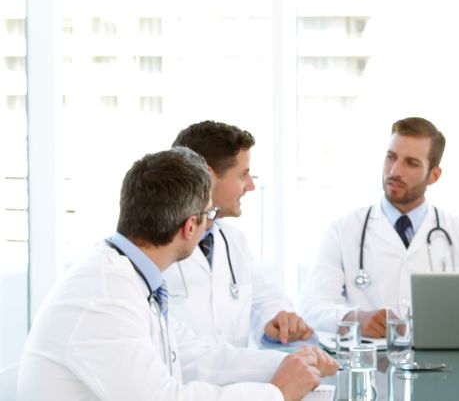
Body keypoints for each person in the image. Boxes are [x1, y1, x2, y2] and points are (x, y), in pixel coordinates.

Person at [17, 147, 337, 401]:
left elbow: (194, 358)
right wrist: (275, 393)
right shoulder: (103, 296)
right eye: (209, 215)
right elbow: (162, 398)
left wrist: (288, 366)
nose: (211, 224)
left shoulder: (132, 278)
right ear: (189, 227)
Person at [300, 117, 459, 337]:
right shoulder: (343, 231)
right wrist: (356, 318)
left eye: (411, 163)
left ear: (434, 176)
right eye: (391, 157)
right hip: (368, 364)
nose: (395, 170)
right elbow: (311, 309)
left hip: (440, 364)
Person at [165, 121, 313, 348]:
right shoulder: (158, 247)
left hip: (236, 380)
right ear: (208, 176)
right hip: (183, 382)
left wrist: (278, 319)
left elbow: (265, 300)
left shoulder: (233, 240)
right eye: (243, 175)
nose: (251, 185)